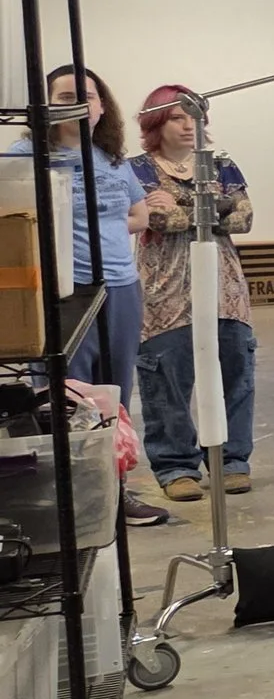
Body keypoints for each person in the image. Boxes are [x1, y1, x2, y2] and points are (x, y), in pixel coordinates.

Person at [10, 67, 166, 525]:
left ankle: (114, 493)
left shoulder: (111, 159)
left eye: (88, 96)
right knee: (67, 396)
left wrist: (102, 229)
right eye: (64, 96)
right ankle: (74, 501)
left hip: (120, 287)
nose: (78, 104)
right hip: (63, 292)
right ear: (45, 105)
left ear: (101, 107)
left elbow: (138, 216)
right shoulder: (22, 157)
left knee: (114, 394)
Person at [129, 87, 256, 503]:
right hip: (165, 290)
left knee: (236, 374)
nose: (189, 126)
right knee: (166, 378)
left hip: (224, 288)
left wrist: (182, 203)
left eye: (195, 117)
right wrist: (218, 205)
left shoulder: (221, 164)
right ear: (155, 122)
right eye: (177, 117)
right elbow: (157, 219)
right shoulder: (138, 169)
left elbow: (245, 218)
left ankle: (232, 460)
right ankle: (175, 466)